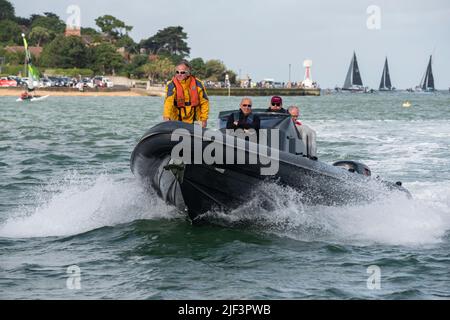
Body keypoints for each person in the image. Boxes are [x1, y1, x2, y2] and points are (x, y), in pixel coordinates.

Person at [163, 60, 209, 128]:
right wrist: (166, 117)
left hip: (196, 121)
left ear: (188, 73)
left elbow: (204, 102)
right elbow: (168, 103)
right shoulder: (171, 85)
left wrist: (204, 119)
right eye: (177, 72)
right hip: (177, 121)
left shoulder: (198, 84)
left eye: (182, 72)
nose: (179, 74)